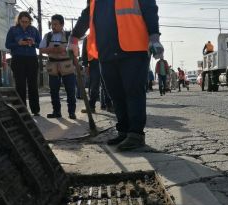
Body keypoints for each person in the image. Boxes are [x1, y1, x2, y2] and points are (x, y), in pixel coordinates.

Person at [71, 0, 163, 151]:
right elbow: (87, 15)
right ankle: (124, 131)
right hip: (106, 51)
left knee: (133, 91)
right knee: (115, 93)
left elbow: (150, 9)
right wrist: (74, 38)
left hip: (134, 49)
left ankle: (135, 134)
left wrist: (154, 37)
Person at [39, 14, 76, 120]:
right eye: (52, 24)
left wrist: (63, 49)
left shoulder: (69, 35)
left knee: (70, 90)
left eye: (55, 24)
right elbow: (41, 49)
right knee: (54, 91)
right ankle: (56, 111)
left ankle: (72, 112)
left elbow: (75, 50)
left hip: (67, 65)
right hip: (52, 66)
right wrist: (52, 50)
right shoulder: (48, 36)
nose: (53, 26)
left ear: (62, 24)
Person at [5, 11, 41, 116]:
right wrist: (18, 43)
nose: (24, 23)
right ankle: (22, 110)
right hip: (18, 59)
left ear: (30, 21)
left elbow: (40, 44)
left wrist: (33, 43)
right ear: (19, 20)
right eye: (22, 21)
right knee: (20, 85)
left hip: (32, 59)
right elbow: (7, 44)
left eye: (27, 21)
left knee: (33, 85)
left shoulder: (34, 30)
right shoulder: (13, 30)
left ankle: (35, 110)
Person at [81, 35, 113, 113]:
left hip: (105, 61)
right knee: (94, 86)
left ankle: (109, 105)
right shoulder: (87, 38)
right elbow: (84, 52)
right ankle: (91, 106)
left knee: (106, 85)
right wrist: (85, 65)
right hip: (93, 63)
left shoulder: (104, 33)